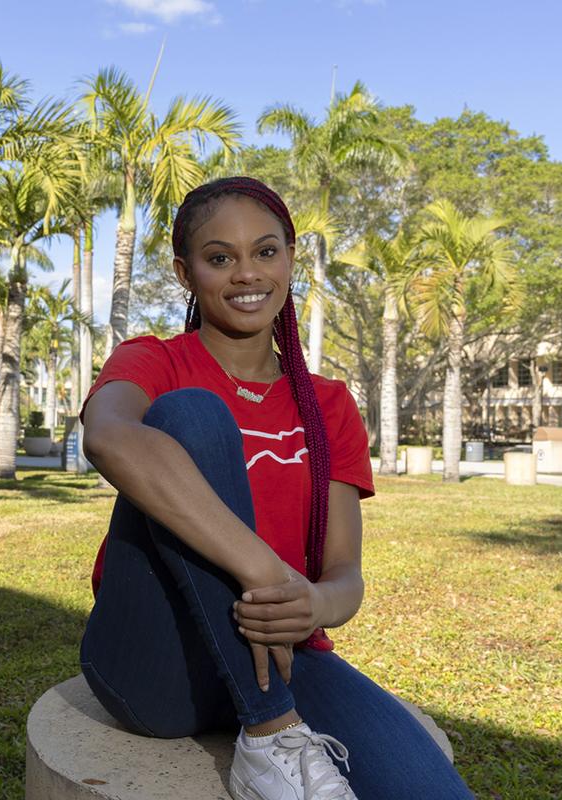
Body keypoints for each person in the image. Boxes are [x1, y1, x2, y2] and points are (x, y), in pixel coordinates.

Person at [79, 176, 474, 799]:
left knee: (431, 789)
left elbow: (345, 576)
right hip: (158, 661)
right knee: (193, 418)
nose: (246, 274)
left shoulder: (329, 404)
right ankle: (269, 737)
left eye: (265, 252)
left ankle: (272, 717)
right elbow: (107, 437)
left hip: (285, 654)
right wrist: (267, 571)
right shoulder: (154, 360)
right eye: (219, 258)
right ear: (186, 274)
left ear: (290, 259)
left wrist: (312, 605)